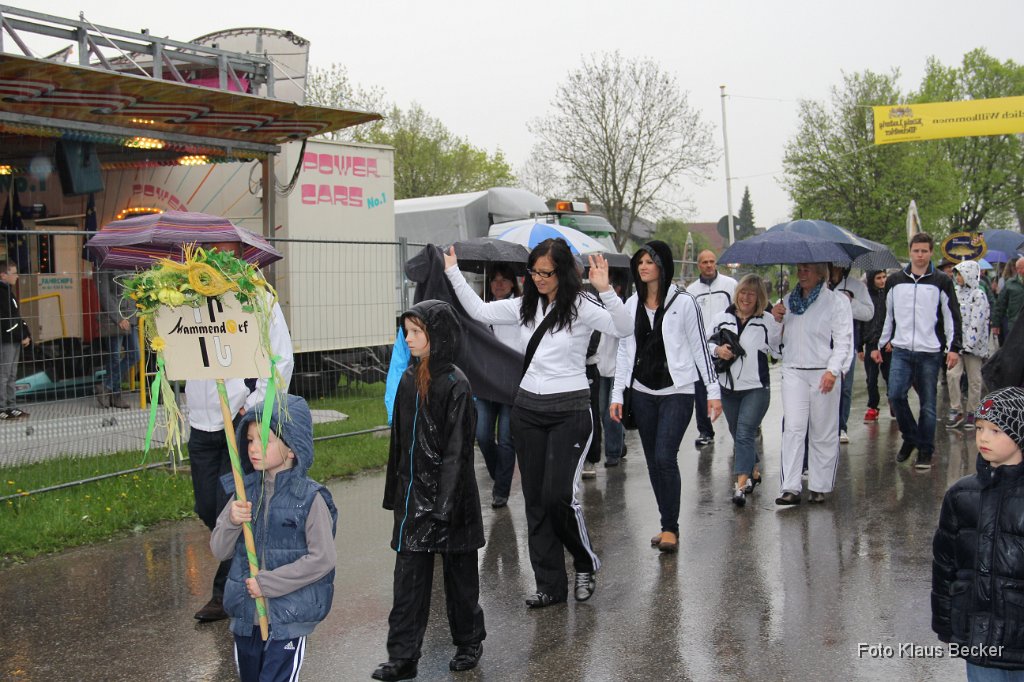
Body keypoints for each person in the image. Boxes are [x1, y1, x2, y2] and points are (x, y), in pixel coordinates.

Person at [444, 238, 631, 608]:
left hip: (570, 410)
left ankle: (583, 560)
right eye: (533, 272)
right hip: (528, 409)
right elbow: (479, 312)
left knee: (558, 496)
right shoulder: (523, 306)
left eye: (546, 272)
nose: (538, 278)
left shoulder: (582, 305)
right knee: (535, 501)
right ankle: (549, 585)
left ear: (562, 272)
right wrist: (453, 272)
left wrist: (606, 289)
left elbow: (623, 328)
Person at [373, 300, 485, 681]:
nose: (410, 338)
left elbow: (457, 451)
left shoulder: (456, 384)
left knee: (460, 578)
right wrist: (395, 494)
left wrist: (444, 504)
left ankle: (469, 641)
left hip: (450, 501)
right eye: (408, 331)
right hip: (412, 497)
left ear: (438, 335)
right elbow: (399, 444)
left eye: (416, 331)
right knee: (408, 581)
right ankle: (403, 656)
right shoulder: (407, 379)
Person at [190, 241, 294, 623]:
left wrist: (254, 408)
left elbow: (281, 359)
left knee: (235, 505)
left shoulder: (258, 298)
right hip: (202, 421)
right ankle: (245, 570)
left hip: (237, 420)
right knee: (208, 506)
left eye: (224, 254)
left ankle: (228, 593)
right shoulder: (189, 298)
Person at [211, 394, 337, 682]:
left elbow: (323, 559)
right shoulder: (244, 494)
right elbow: (219, 550)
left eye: (264, 441)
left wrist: (268, 583)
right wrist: (232, 521)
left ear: (292, 448)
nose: (254, 448)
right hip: (246, 618)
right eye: (250, 440)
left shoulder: (309, 499)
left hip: (287, 619)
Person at [610, 241, 721, 551]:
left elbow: (700, 348)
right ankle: (666, 523)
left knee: (664, 456)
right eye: (640, 262)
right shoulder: (630, 305)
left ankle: (671, 528)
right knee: (652, 461)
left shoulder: (685, 303)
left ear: (663, 265)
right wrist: (617, 393)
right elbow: (623, 351)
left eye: (650, 261)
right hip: (642, 393)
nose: (643, 266)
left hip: (678, 391)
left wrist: (713, 392)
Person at [932, 386, 1024, 681]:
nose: (983, 437)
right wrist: (946, 623)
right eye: (980, 427)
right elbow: (945, 565)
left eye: (996, 430)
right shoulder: (961, 495)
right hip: (980, 639)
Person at [873, 233, 961, 470]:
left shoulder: (941, 280)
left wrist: (953, 347)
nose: (920, 255)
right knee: (895, 395)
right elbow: (886, 315)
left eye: (924, 251)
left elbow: (951, 315)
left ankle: (925, 450)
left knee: (928, 404)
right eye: (916, 251)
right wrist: (878, 344)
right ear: (910, 251)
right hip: (901, 349)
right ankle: (911, 437)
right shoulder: (895, 281)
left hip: (929, 351)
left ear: (930, 252)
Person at [772, 262, 853, 505]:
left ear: (820, 274)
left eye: (807, 269)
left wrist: (833, 370)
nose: (802, 273)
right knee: (794, 428)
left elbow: (843, 340)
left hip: (822, 371)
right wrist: (775, 320)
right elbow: (775, 344)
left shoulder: (836, 301)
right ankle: (790, 487)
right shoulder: (788, 300)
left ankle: (820, 485)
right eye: (800, 269)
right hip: (794, 370)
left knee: (822, 431)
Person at [707, 274, 782, 507]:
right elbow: (705, 343)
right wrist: (718, 350)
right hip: (728, 388)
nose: (746, 297)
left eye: (752, 293)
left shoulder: (767, 320)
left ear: (759, 297)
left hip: (756, 389)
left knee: (744, 433)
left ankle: (740, 485)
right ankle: (754, 471)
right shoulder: (722, 318)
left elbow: (779, 351)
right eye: (743, 292)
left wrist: (779, 323)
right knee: (738, 433)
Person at [475, 264, 521, 508]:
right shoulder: (478, 309)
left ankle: (501, 490)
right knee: (482, 434)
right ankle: (499, 475)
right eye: (494, 279)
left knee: (505, 438)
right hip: (484, 383)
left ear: (513, 283)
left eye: (504, 279)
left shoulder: (519, 307)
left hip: (510, 382)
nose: (499, 284)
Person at [686, 249, 736, 448]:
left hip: (726, 343)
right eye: (704, 262)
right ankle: (705, 431)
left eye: (712, 261)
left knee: (731, 387)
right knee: (701, 391)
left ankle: (738, 426)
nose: (708, 265)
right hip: (702, 346)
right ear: (698, 265)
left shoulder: (729, 285)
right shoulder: (691, 290)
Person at [828, 264, 874, 443]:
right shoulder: (819, 285)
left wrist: (850, 302)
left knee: (844, 387)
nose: (833, 269)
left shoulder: (857, 286)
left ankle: (841, 427)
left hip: (846, 344)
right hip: (821, 344)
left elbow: (869, 313)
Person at [947, 260, 990, 429]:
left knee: (974, 379)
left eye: (961, 274)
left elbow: (977, 321)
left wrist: (969, 344)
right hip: (956, 346)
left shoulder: (978, 295)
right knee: (952, 375)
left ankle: (973, 411)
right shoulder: (954, 293)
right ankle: (955, 409)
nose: (958, 277)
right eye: (956, 274)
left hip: (973, 347)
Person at [94, 266, 139, 409]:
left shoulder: (132, 265)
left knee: (135, 355)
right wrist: (118, 318)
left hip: (131, 318)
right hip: (116, 321)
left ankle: (105, 386)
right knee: (114, 357)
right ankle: (115, 396)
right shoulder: (104, 266)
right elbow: (104, 294)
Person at [0, 259, 29, 419]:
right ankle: (2, 407)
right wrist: (21, 334)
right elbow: (7, 320)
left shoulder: (8, 292)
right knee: (4, 374)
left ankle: (11, 406)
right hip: (6, 339)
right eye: (14, 273)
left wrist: (26, 333)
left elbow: (17, 317)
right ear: (3, 275)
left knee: (11, 374)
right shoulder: (2, 294)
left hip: (13, 338)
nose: (17, 276)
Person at [861, 270, 891, 422]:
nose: (882, 281)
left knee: (890, 375)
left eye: (884, 277)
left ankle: (893, 400)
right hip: (871, 343)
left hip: (887, 344)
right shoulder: (866, 297)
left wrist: (892, 340)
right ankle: (873, 406)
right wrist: (859, 346)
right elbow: (860, 322)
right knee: (871, 378)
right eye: (878, 278)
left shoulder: (889, 295)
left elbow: (896, 319)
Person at [993, 257, 1024, 343]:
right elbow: (1000, 305)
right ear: (1017, 269)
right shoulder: (1010, 284)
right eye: (1021, 267)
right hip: (1014, 325)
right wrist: (996, 324)